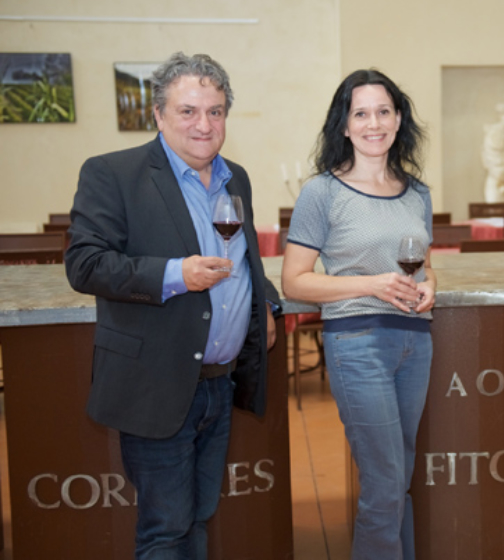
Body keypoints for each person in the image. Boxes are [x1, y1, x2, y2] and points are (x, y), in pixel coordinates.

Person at [65, 52, 279, 559]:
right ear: (158, 115)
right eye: (188, 111)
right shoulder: (113, 173)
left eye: (216, 111)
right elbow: (85, 264)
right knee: (166, 529)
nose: (204, 125)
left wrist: (265, 304)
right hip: (156, 382)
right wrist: (174, 274)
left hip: (219, 386)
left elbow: (243, 262)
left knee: (199, 517)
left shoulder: (236, 178)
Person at [281, 69, 436, 560]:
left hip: (415, 341)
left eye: (383, 111)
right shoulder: (321, 193)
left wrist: (430, 286)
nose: (374, 123)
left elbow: (426, 266)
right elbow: (294, 281)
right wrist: (372, 283)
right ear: (344, 126)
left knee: (401, 478)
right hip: (357, 342)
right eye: (361, 113)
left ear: (398, 119)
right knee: (385, 482)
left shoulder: (417, 192)